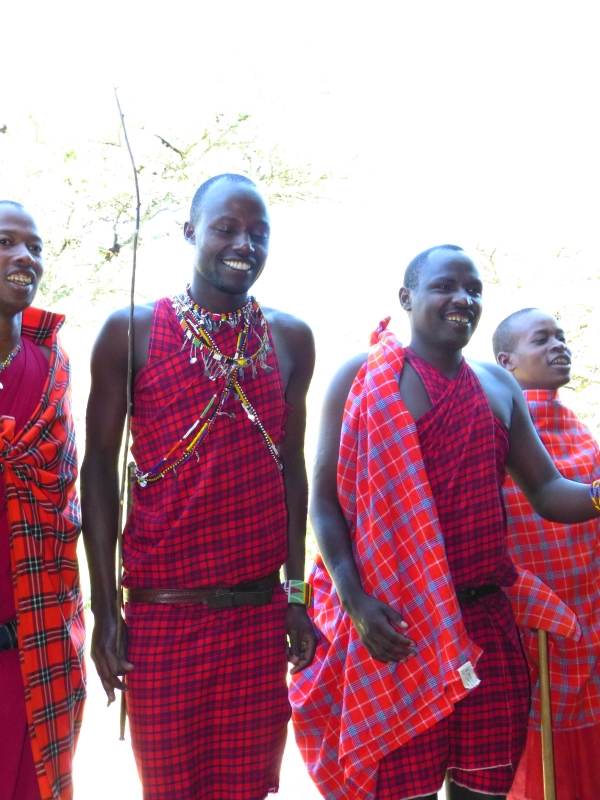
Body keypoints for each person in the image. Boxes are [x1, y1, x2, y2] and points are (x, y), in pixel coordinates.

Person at [290, 244, 599, 800]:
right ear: (406, 298)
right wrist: (356, 603)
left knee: (483, 790)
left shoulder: (498, 385)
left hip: (485, 621)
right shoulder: (361, 377)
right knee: (403, 791)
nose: (463, 299)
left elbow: (549, 492)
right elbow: (325, 502)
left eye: (474, 289)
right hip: (395, 626)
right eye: (445, 286)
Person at [81, 173, 317, 800]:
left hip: (258, 615)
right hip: (162, 615)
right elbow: (98, 469)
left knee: (246, 790)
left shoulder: (290, 339)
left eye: (258, 233)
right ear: (190, 232)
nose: (244, 244)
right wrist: (106, 609)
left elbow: (292, 471)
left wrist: (296, 594)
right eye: (226, 229)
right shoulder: (131, 331)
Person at [494, 308, 600, 800]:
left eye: (561, 337)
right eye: (542, 339)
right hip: (528, 621)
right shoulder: (495, 428)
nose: (560, 345)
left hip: (590, 613)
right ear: (506, 362)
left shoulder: (577, 428)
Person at [0, 200, 85, 800]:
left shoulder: (52, 367)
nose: (24, 257)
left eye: (35, 247)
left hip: (37, 648)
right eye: (5, 242)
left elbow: (66, 506)